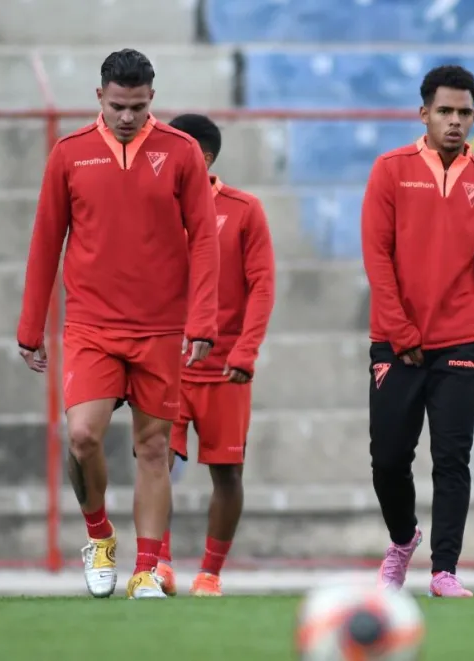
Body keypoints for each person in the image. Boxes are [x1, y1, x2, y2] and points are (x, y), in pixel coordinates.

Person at [16, 49, 220, 599]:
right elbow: (45, 240)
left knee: (154, 450)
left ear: (151, 98)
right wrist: (29, 325)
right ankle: (99, 536)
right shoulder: (70, 154)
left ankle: (147, 570)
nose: (126, 117)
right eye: (116, 106)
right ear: (99, 98)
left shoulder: (179, 153)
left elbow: (205, 239)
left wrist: (202, 320)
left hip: (159, 328)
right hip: (91, 325)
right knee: (83, 437)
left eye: (136, 106)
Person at [361, 64, 474, 598]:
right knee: (388, 460)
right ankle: (403, 540)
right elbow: (376, 255)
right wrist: (400, 330)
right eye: (444, 111)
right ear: (423, 112)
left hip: (461, 342)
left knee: (453, 459)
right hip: (395, 342)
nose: (454, 121)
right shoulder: (390, 169)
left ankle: (444, 569)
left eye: (464, 112)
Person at [153, 114, 276, 597]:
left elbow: (263, 285)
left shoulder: (244, 210)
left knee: (226, 472)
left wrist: (246, 350)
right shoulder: (153, 209)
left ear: (200, 156)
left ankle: (209, 573)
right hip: (166, 364)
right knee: (155, 459)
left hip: (225, 367)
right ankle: (157, 563)